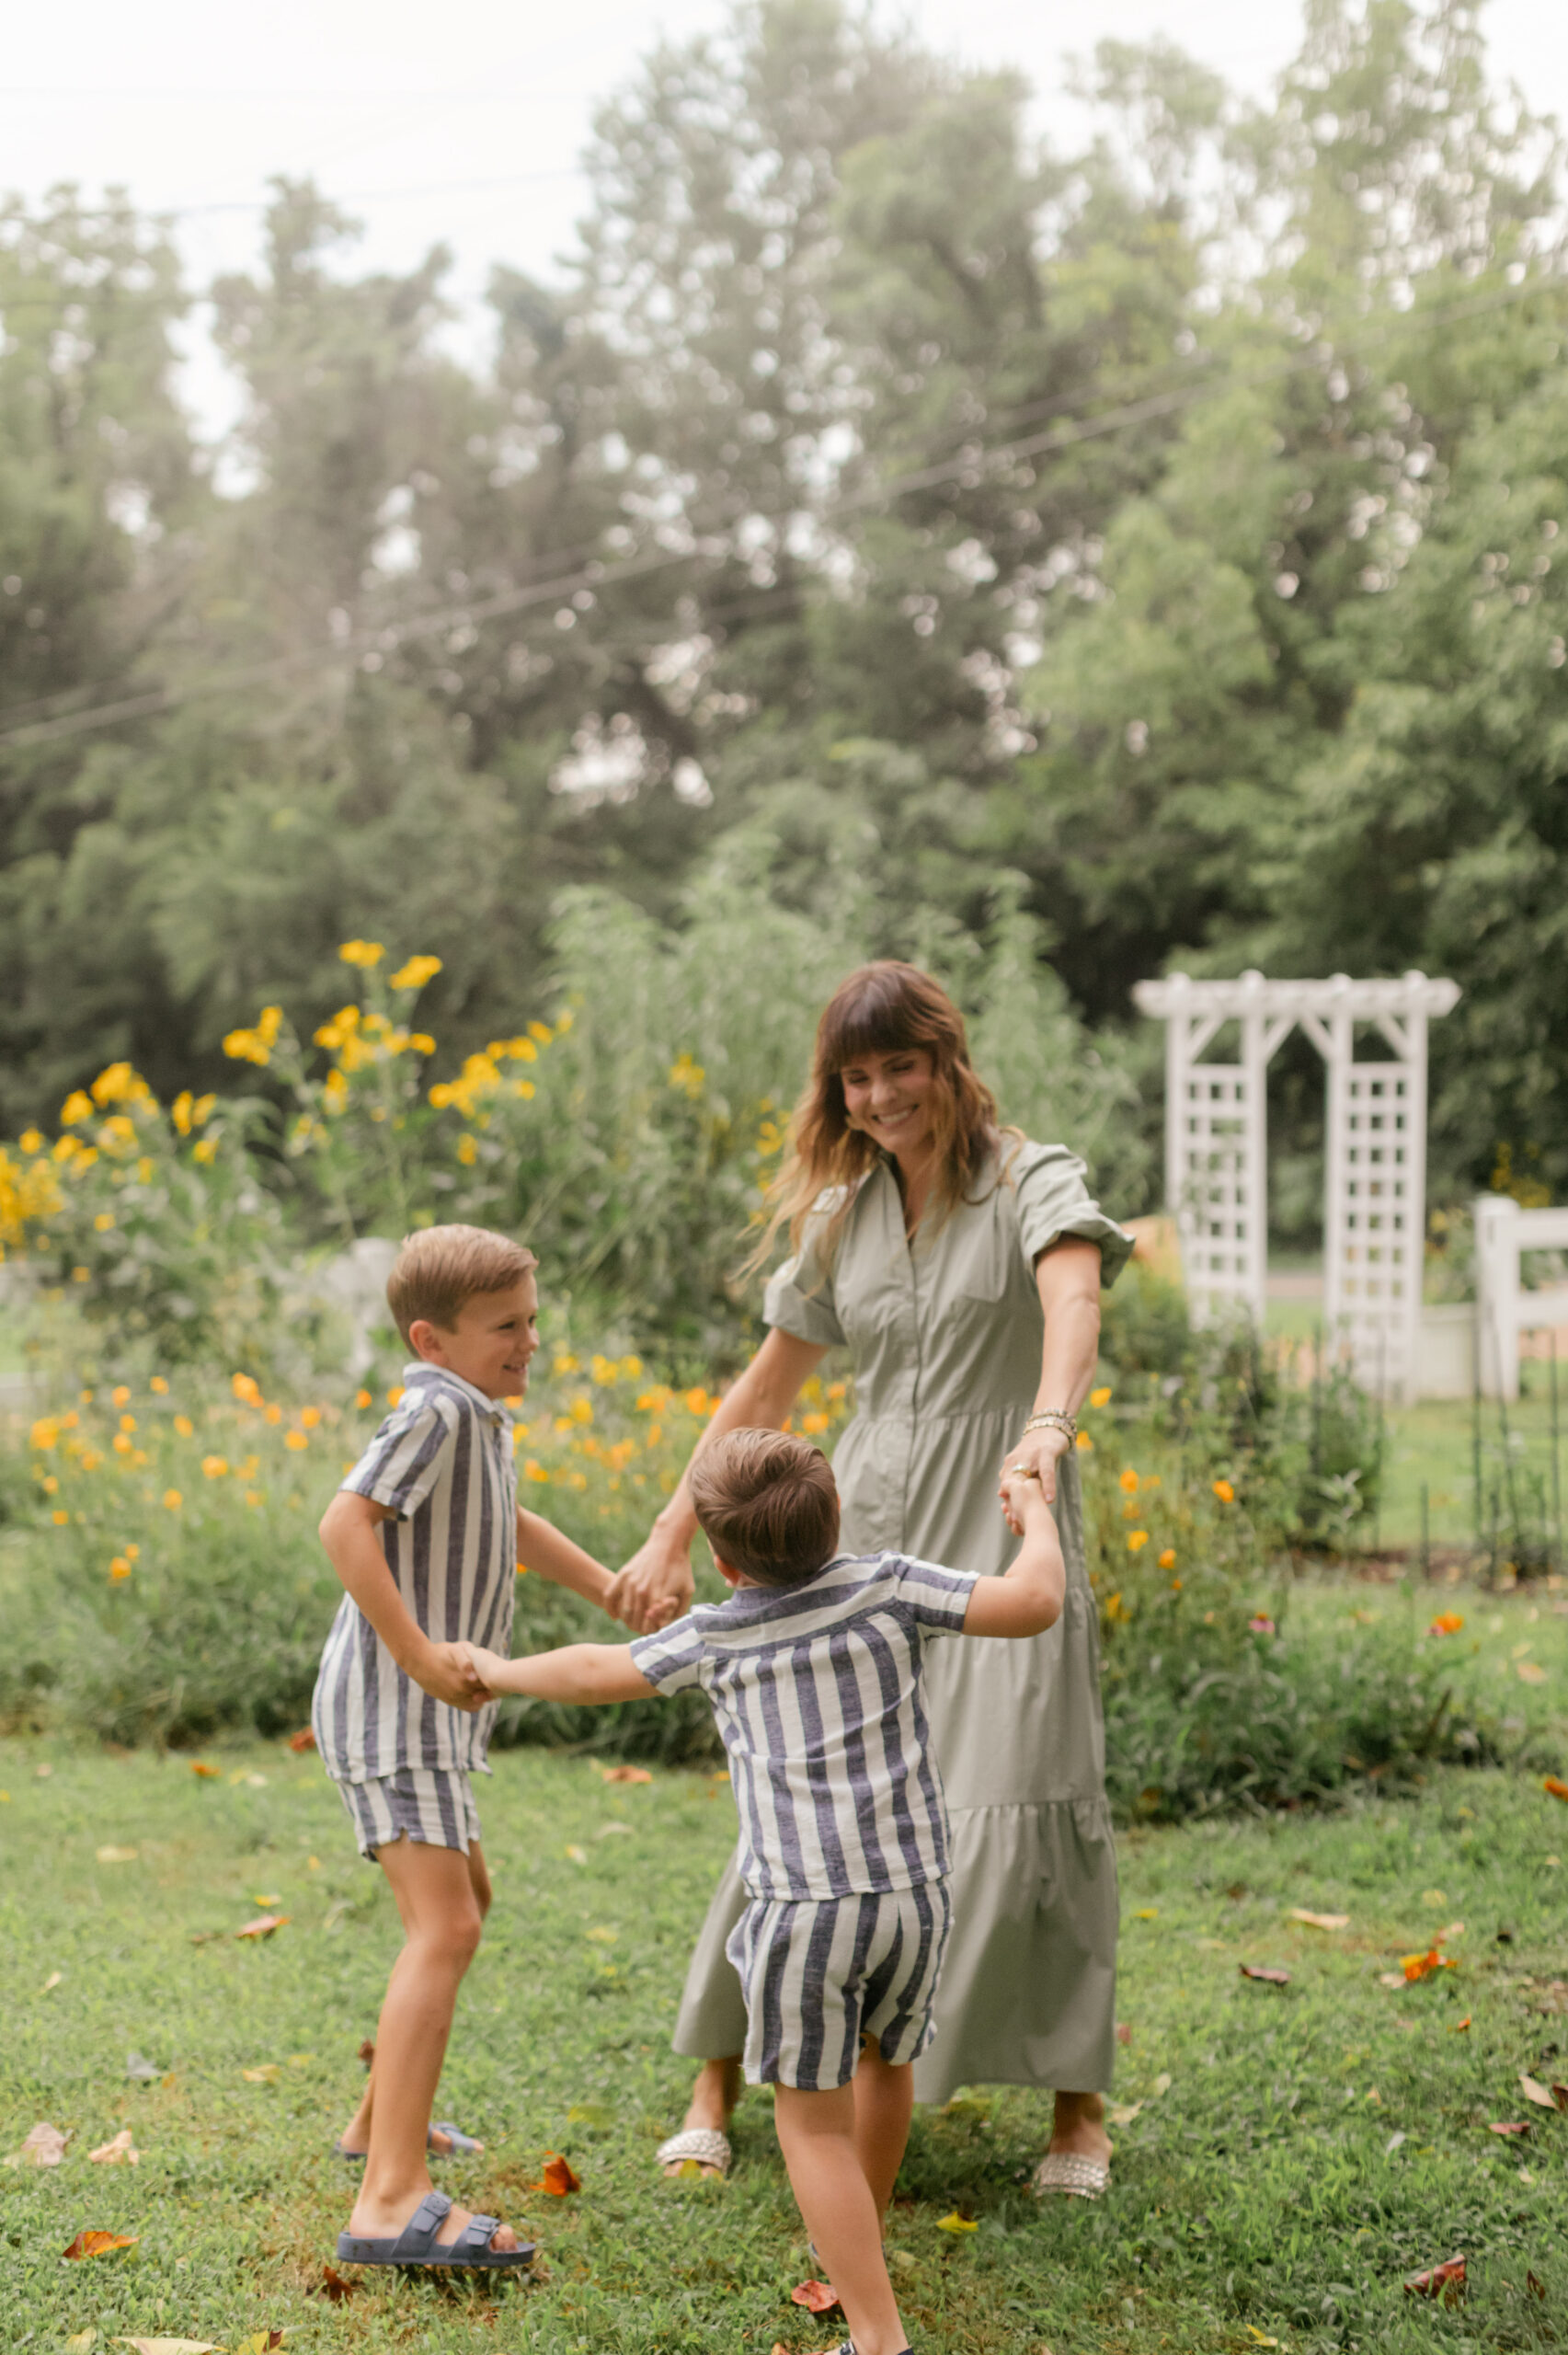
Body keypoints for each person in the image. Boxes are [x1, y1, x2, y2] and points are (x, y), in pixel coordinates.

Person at [610, 961, 1132, 2200]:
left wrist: (1050, 1430)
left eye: (900, 1064)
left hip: (1004, 1510)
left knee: (1024, 1781)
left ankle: (1077, 2110)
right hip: (848, 1531)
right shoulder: (840, 1217)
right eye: (857, 1075)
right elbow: (767, 1393)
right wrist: (671, 1528)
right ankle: (714, 2080)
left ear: (945, 1059)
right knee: (803, 1798)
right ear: (836, 1093)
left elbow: (1074, 1301)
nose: (882, 1092)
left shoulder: (1028, 1178)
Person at [462, 1425, 1067, 2355]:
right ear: (835, 1520)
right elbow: (1033, 1601)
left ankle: (875, 2333)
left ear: (718, 1555)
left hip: (806, 1913)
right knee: (883, 2066)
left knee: (810, 2124)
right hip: (914, 1897)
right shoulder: (888, 1583)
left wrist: (495, 1671)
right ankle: (853, 2253)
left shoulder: (718, 1631)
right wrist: (1035, 1515)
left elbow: (595, 1667)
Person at [314, 1223, 618, 2272]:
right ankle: (388, 2195)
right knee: (441, 1929)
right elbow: (343, 1526)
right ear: (431, 1338)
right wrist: (421, 1655)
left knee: (461, 1909)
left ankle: (373, 2126)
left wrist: (610, 1587)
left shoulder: (475, 1416)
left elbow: (507, 1523)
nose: (529, 1341)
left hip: (425, 1717)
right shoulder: (438, 1406)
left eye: (532, 1320)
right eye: (507, 1325)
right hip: (400, 1710)